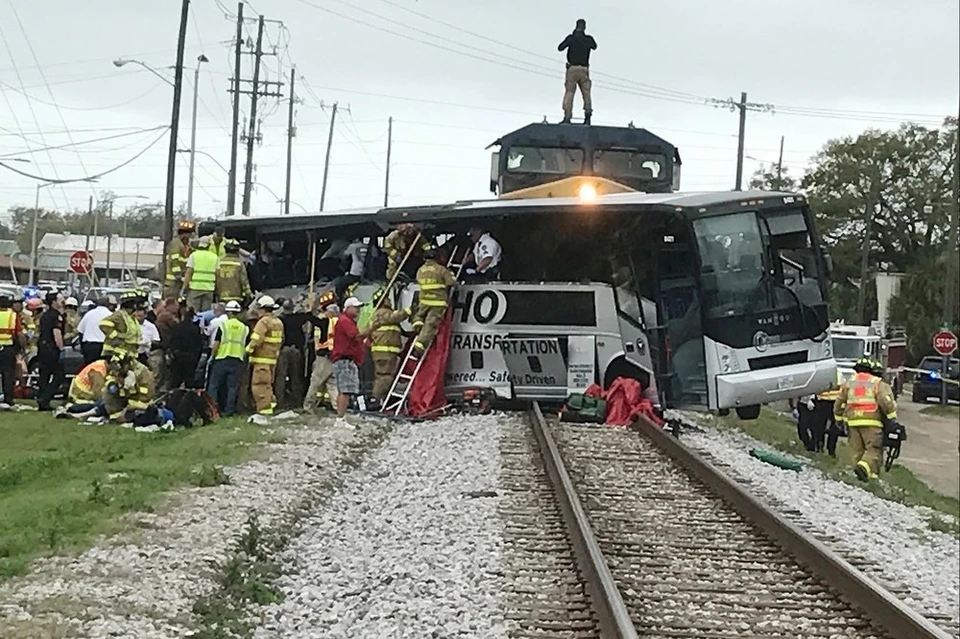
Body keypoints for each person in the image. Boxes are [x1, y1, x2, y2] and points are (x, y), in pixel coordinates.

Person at [834, 357, 898, 482]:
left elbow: (839, 403)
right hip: (872, 422)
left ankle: (865, 478)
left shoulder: (849, 382)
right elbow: (886, 402)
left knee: (858, 451)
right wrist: (891, 419)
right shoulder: (877, 382)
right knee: (873, 449)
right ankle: (864, 469)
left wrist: (839, 419)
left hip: (852, 422)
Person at [411, 244, 456, 356]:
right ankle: (419, 347)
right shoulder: (441, 269)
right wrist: (451, 274)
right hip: (437, 302)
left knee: (419, 315)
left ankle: (417, 323)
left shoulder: (420, 270)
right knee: (430, 325)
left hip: (424, 301)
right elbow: (451, 282)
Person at [330, 296, 369, 427]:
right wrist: (371, 329)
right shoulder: (345, 321)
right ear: (348, 308)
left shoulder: (348, 321)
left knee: (346, 390)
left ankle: (341, 417)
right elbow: (356, 336)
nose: (358, 310)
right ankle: (340, 419)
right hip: (344, 360)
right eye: (356, 307)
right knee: (345, 391)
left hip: (347, 360)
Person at [208, 300, 249, 417]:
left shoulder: (223, 326)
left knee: (214, 385)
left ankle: (213, 410)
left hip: (222, 358)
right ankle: (229, 410)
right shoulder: (244, 328)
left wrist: (212, 356)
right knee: (232, 387)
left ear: (228, 313)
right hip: (237, 360)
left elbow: (216, 344)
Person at [369, 287, 409, 403]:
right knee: (384, 377)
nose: (390, 302)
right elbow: (394, 317)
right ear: (382, 301)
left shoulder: (381, 314)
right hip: (384, 352)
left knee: (384, 376)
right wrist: (409, 310)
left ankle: (380, 399)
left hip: (386, 352)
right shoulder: (381, 313)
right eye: (387, 299)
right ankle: (376, 401)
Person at [246, 295, 284, 416]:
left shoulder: (263, 322)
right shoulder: (278, 322)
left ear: (262, 309)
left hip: (261, 360)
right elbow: (282, 340)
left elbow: (257, 339)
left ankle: (264, 411)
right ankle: (271, 405)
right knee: (268, 385)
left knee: (259, 385)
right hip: (272, 360)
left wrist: (247, 349)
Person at [303, 292, 340, 412]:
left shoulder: (326, 322)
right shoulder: (339, 322)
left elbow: (311, 319)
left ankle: (308, 406)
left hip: (324, 357)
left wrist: (310, 308)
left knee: (315, 382)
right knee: (332, 384)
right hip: (336, 356)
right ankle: (338, 408)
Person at [558, 19, 597, 125]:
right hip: (584, 69)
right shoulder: (588, 39)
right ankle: (587, 117)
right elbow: (594, 46)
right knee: (586, 94)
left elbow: (560, 48)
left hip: (572, 69)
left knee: (570, 93)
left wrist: (571, 39)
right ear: (585, 27)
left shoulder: (571, 38)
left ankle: (567, 117)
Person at [101, 352, 155, 422]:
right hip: (124, 401)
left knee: (141, 416)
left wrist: (126, 410)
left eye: (120, 365)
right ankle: (115, 417)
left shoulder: (141, 373)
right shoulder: (119, 370)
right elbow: (110, 377)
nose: (118, 369)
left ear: (128, 363)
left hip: (139, 404)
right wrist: (112, 384)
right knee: (105, 393)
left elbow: (145, 397)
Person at [36, 292, 66, 411]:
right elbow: (56, 333)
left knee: (44, 375)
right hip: (51, 349)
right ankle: (45, 398)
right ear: (53, 302)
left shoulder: (45, 315)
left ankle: (42, 401)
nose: (62, 302)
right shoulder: (56, 316)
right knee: (59, 376)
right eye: (60, 300)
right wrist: (61, 348)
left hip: (42, 347)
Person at [274, 299, 306, 410]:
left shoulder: (279, 320)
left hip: (283, 350)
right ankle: (297, 402)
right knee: (296, 376)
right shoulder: (297, 319)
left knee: (281, 377)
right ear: (292, 308)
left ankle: (280, 402)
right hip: (295, 350)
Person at [167, 305, 205, 389]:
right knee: (189, 382)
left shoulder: (177, 327)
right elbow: (199, 344)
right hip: (190, 359)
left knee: (174, 382)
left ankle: (172, 398)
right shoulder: (195, 329)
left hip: (177, 357)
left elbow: (171, 342)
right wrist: (196, 358)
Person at [100, 290, 145, 360]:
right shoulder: (119, 315)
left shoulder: (131, 317)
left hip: (128, 353)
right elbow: (103, 324)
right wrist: (116, 336)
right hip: (116, 353)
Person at [181, 236, 219, 313]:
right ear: (209, 245)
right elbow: (218, 275)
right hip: (209, 289)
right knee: (205, 314)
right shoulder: (215, 257)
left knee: (193, 313)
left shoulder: (194, 255)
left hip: (195, 288)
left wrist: (184, 288)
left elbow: (188, 273)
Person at [0, 294, 25, 406]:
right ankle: (8, 399)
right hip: (8, 348)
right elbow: (19, 334)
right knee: (8, 374)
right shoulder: (13, 316)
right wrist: (22, 346)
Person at [165, 220, 195, 299]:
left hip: (180, 282)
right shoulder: (175, 244)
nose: (190, 236)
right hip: (173, 283)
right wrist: (179, 275)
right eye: (189, 234)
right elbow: (174, 261)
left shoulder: (188, 247)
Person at [215, 239, 252, 305]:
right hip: (236, 296)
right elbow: (244, 280)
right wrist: (248, 294)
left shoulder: (218, 261)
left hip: (220, 295)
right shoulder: (239, 263)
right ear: (237, 251)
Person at [332, 238, 368, 303]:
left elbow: (343, 256)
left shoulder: (353, 246)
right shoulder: (366, 246)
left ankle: (340, 301)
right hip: (364, 273)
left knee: (338, 282)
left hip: (355, 274)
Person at [78, 297, 112, 364]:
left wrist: (82, 348)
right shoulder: (110, 315)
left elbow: (80, 331)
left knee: (90, 369)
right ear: (108, 304)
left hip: (90, 347)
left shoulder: (89, 314)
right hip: (105, 347)